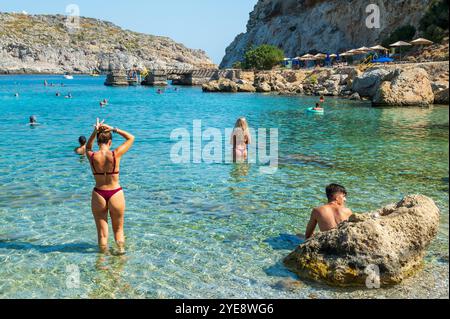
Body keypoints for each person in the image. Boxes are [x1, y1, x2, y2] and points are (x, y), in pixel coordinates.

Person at [86, 118, 135, 254]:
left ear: (97, 141)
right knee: (118, 231)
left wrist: (94, 132)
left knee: (102, 235)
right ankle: (120, 259)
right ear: (110, 142)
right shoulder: (115, 154)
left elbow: (87, 147)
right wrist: (113, 128)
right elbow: (131, 138)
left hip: (99, 194)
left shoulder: (92, 155)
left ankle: (102, 262)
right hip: (115, 193)